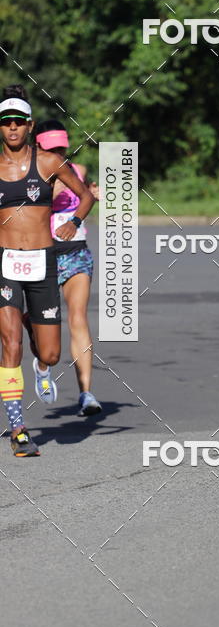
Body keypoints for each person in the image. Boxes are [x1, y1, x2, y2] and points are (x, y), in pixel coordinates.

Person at [0, 85, 95, 456]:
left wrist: (74, 220)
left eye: (18, 122)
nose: (11, 129)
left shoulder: (49, 163)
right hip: (6, 263)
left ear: (30, 125)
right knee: (10, 346)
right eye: (6, 122)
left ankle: (38, 349)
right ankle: (17, 429)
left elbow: (85, 193)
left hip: (42, 263)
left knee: (51, 354)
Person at [28, 119, 101, 417]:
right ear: (38, 147)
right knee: (43, 326)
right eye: (52, 148)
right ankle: (43, 366)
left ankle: (86, 394)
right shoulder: (29, 176)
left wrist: (92, 196)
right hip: (41, 257)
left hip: (76, 254)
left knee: (78, 319)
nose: (58, 153)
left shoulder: (77, 172)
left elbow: (83, 200)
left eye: (62, 148)